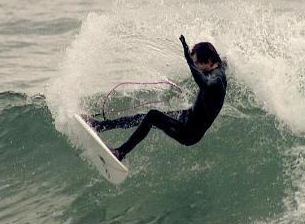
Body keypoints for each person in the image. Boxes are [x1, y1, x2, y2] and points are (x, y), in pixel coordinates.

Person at [87, 35, 227, 161]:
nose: (196, 67)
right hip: (186, 117)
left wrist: (188, 60)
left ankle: (120, 152)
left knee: (152, 116)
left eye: (197, 63)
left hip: (189, 131)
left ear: (209, 61)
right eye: (194, 63)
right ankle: (100, 126)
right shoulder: (217, 66)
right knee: (142, 118)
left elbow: (205, 84)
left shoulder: (217, 80)